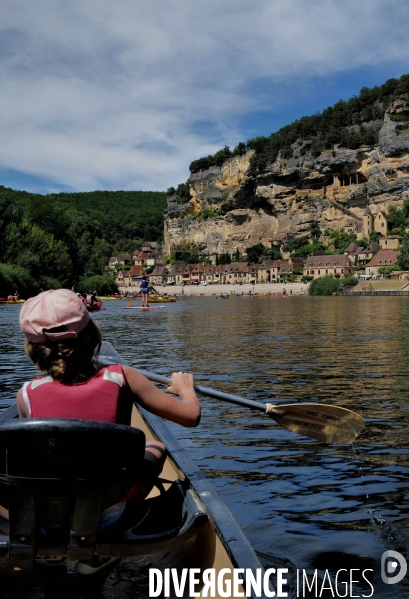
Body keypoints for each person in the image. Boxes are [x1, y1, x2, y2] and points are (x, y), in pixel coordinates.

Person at [9, 289, 200, 573]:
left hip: (47, 515)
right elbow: (190, 417)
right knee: (155, 447)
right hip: (109, 508)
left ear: (33, 348)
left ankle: (42, 547)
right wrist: (186, 390)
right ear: (93, 334)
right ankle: (97, 551)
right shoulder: (123, 377)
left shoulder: (25, 393)